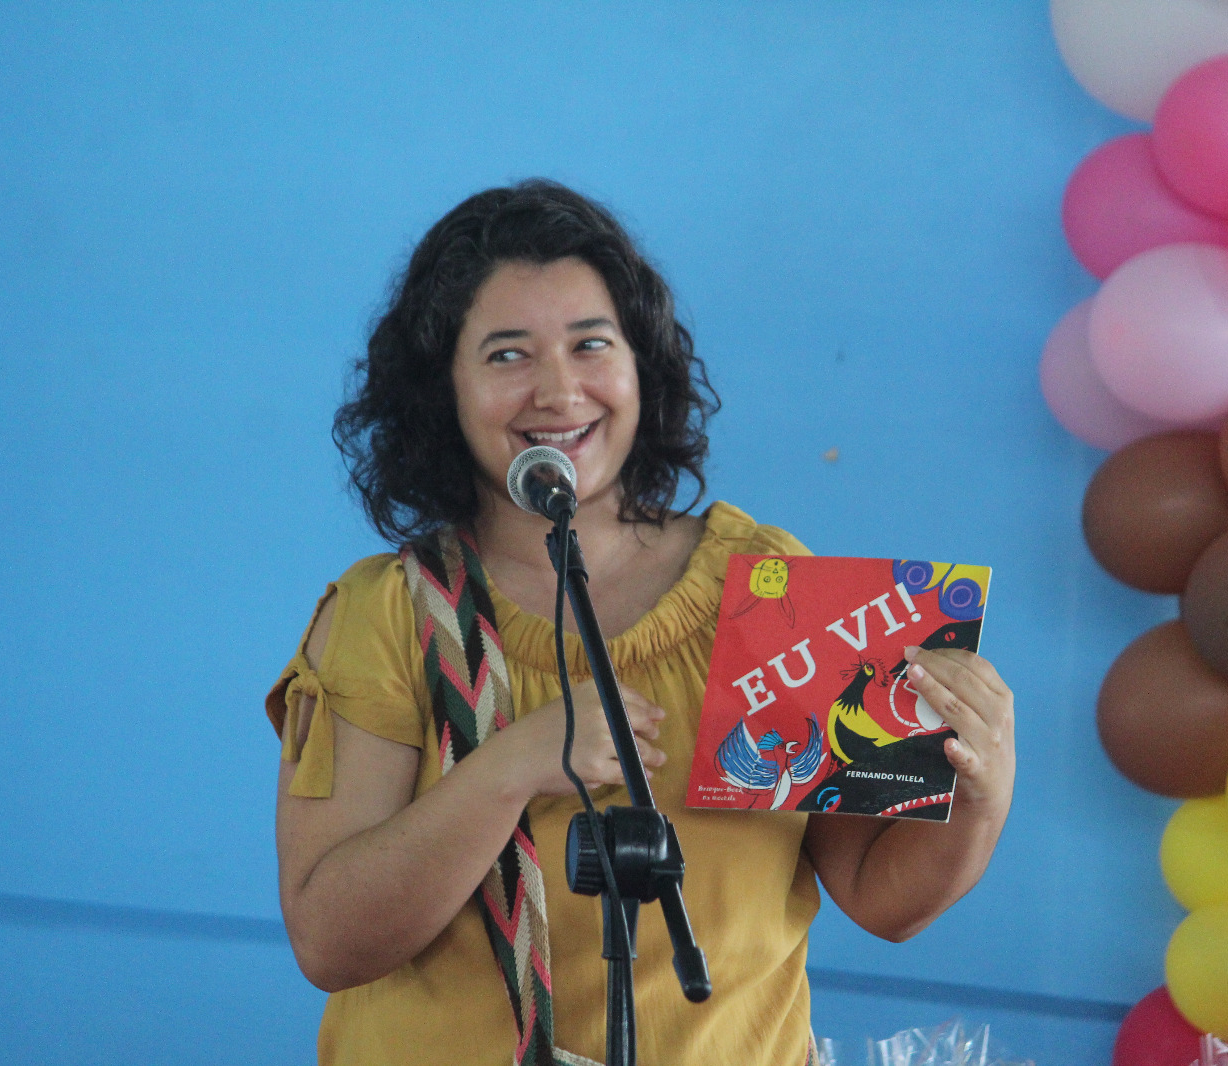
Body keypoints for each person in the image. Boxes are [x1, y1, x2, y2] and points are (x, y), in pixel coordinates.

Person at [267, 180, 1016, 1066]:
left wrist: (981, 793)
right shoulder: (389, 614)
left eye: (592, 344)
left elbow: (877, 896)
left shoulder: (766, 584)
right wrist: (510, 768)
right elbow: (330, 941)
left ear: (641, 367)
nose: (559, 390)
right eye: (508, 355)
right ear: (443, 391)